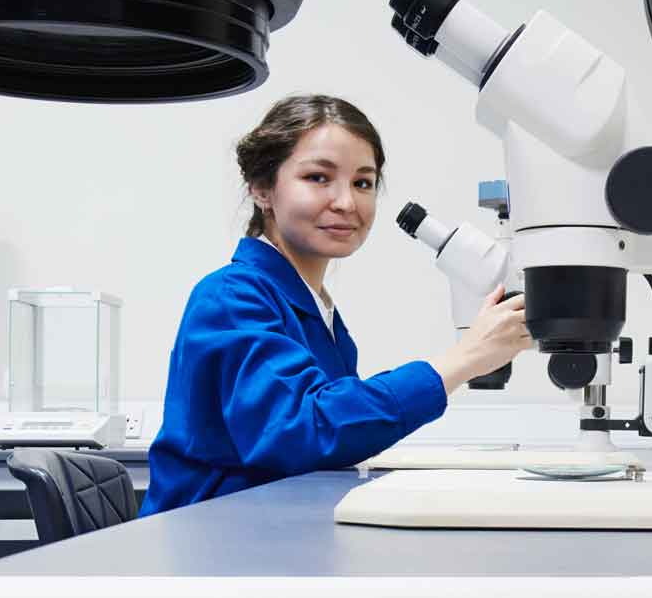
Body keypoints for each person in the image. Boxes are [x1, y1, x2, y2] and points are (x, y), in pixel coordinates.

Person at [140, 95, 531, 515]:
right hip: (206, 547)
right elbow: (305, 431)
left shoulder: (314, 309)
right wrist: (466, 358)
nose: (346, 202)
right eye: (318, 177)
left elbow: (333, 437)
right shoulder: (232, 297)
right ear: (261, 189)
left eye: (363, 183)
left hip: (267, 532)